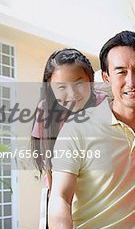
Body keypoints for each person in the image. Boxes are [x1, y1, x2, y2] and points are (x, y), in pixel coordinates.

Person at [48, 31, 135, 229]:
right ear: (106, 77)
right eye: (121, 72)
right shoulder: (77, 128)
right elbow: (60, 197)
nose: (131, 81)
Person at [30, 48, 107, 187]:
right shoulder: (46, 111)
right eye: (61, 87)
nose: (72, 94)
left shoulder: (103, 104)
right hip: (60, 186)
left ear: (91, 80)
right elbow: (48, 162)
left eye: (79, 84)